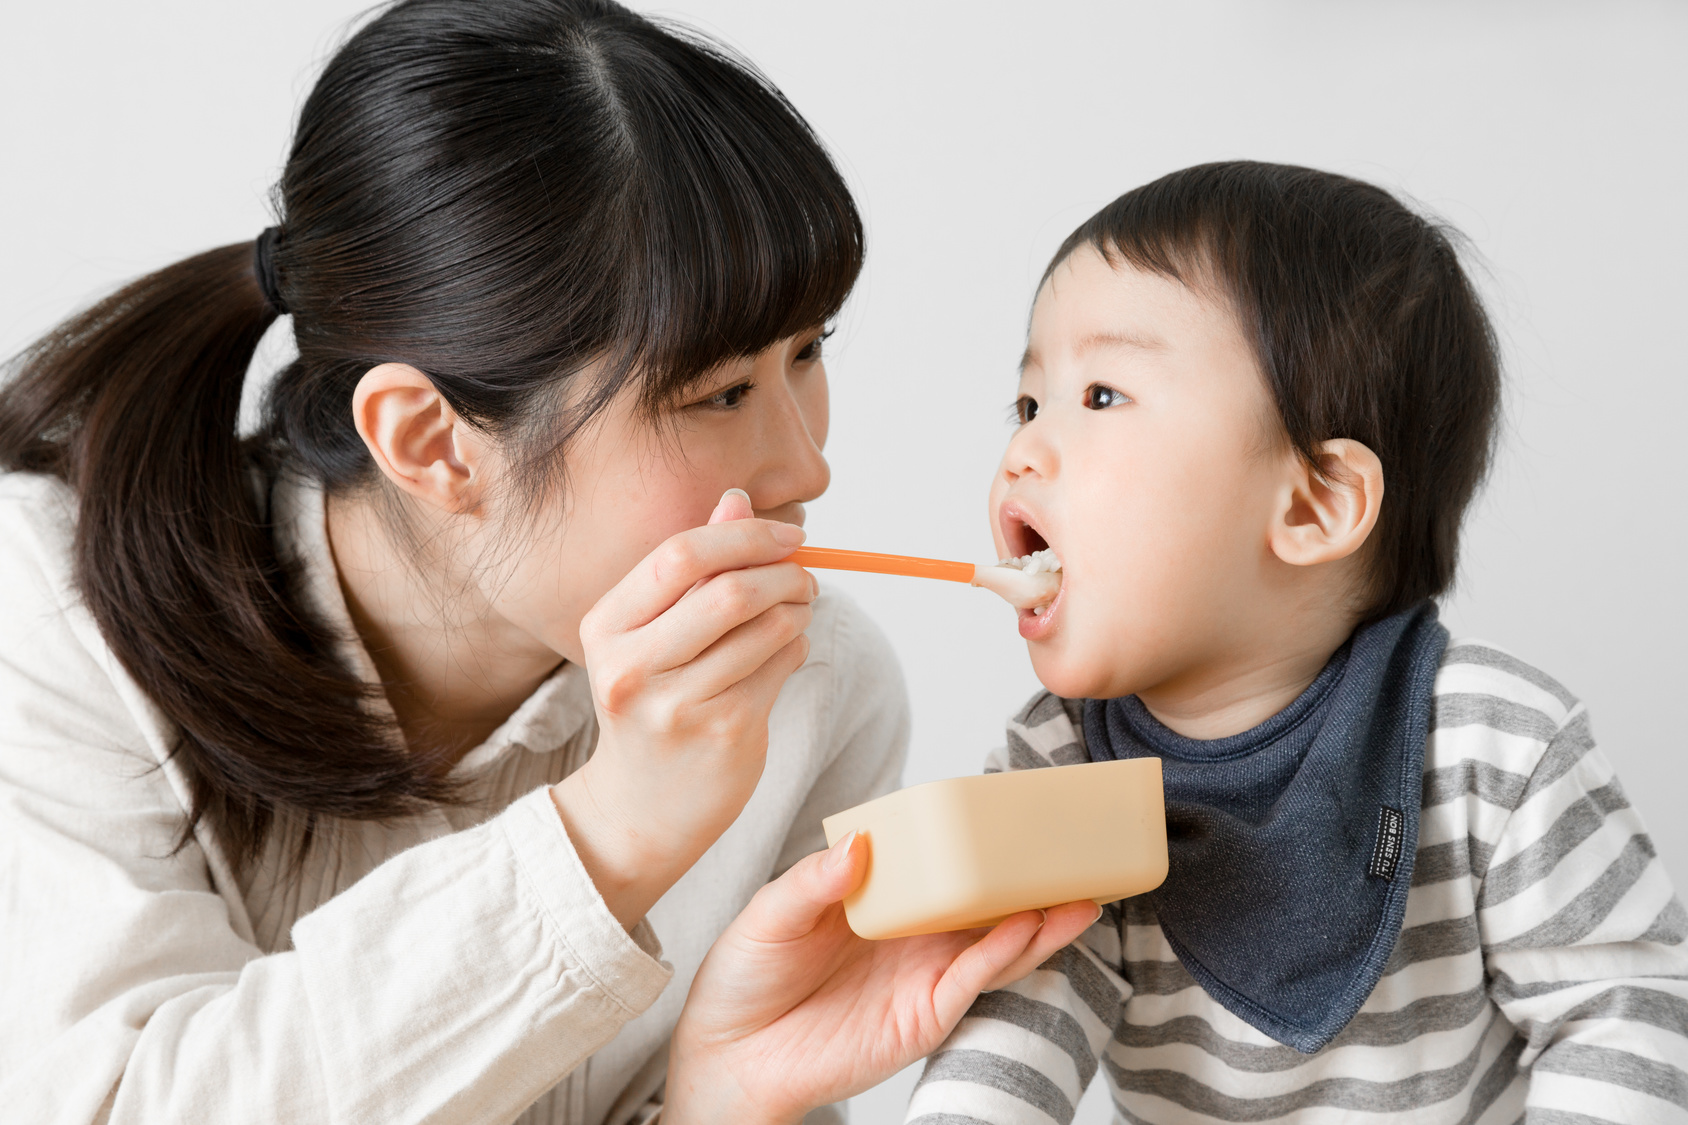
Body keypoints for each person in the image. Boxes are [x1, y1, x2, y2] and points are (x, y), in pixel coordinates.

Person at [0, 3, 1095, 1122]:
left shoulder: (815, 689)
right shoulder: (46, 607)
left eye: (806, 352)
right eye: (717, 393)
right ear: (429, 442)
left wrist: (725, 1102)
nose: (805, 466)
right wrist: (609, 836)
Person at [903, 162, 1688, 1124]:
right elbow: (1016, 1020)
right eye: (1029, 404)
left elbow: (1623, 1013)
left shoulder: (1495, 747)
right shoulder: (1064, 767)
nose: (1023, 449)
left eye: (1101, 396)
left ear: (1314, 504)